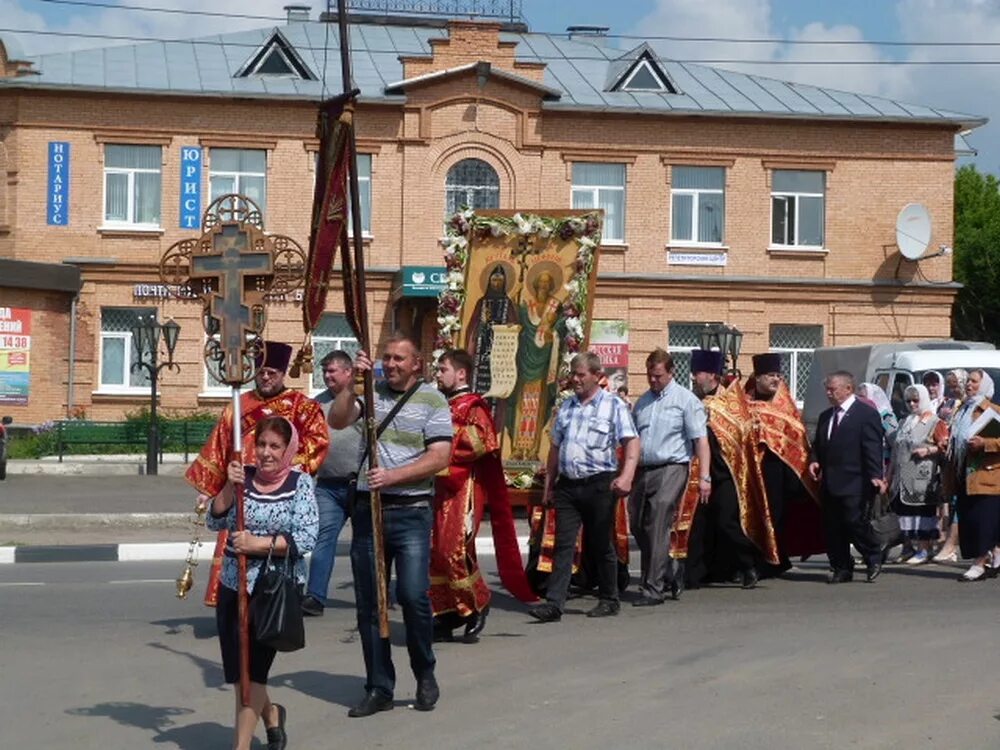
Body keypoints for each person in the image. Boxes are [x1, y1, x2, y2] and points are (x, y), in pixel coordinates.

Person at [327, 333, 453, 717]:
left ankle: (424, 671)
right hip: (369, 509)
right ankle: (379, 686)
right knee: (369, 604)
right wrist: (350, 384)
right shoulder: (371, 391)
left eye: (400, 358)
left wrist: (394, 477)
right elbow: (338, 418)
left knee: (413, 596)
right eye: (387, 358)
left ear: (417, 363)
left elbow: (440, 456)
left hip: (411, 512)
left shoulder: (433, 399)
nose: (392, 364)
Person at [206, 415, 319, 750]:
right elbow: (216, 519)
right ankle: (271, 713)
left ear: (288, 450)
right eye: (262, 445)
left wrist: (258, 544)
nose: (266, 453)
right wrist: (229, 484)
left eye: (275, 446)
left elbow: (307, 536)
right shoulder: (245, 478)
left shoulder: (300, 483)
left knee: (252, 672)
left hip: (274, 588)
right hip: (234, 584)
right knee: (241, 671)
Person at [187, 341, 329, 606]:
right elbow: (220, 445)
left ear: (283, 373)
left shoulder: (302, 406)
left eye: (272, 372)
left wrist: (284, 471)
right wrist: (208, 490)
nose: (265, 376)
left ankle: (268, 606)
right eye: (261, 371)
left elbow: (317, 444)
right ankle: (231, 604)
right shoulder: (239, 404)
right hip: (242, 488)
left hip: (281, 492)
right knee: (235, 544)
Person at [430, 349, 537, 643]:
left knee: (454, 550)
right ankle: (448, 612)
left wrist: (440, 438)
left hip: (463, 488)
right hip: (437, 489)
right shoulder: (440, 404)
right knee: (435, 553)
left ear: (461, 374)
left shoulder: (473, 406)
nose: (438, 374)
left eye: (443, 369)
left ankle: (477, 604)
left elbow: (480, 442)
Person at [528, 352, 638, 622]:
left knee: (601, 542)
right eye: (573, 374)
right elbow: (555, 447)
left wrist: (627, 477)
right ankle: (555, 603)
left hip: (600, 483)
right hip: (568, 486)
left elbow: (631, 442)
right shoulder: (567, 407)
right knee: (563, 544)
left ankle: (609, 598)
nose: (575, 380)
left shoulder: (613, 405)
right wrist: (549, 485)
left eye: (581, 375)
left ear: (596, 376)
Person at [628, 348, 709, 605]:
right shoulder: (643, 402)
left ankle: (653, 588)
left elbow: (700, 441)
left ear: (671, 372)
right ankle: (669, 567)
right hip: (644, 469)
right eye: (650, 375)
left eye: (658, 376)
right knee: (637, 524)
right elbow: (632, 439)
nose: (653, 381)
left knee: (658, 519)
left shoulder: (686, 400)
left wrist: (704, 477)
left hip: (673, 466)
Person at [676, 349, 762, 589]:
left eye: (698, 373)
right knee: (696, 524)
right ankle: (693, 575)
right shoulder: (691, 401)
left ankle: (748, 565)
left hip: (725, 475)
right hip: (696, 474)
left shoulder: (730, 403)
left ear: (712, 375)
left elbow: (740, 434)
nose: (694, 377)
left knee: (727, 522)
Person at [744, 353, 822, 574]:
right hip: (751, 469)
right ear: (757, 377)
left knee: (777, 515)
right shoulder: (744, 403)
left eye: (778, 375)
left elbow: (798, 437)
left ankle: (775, 559)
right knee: (752, 515)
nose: (776, 379)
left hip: (778, 471)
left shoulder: (785, 406)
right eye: (770, 375)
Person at [809, 371, 887, 583]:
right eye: (827, 389)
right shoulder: (827, 416)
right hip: (830, 481)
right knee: (833, 527)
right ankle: (842, 567)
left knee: (855, 522)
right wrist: (815, 460)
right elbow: (818, 445)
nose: (828, 393)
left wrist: (876, 475)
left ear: (848, 389)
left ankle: (873, 555)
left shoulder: (865, 414)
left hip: (856, 480)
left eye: (832, 389)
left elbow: (872, 447)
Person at [302, 350, 362, 616]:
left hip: (360, 485)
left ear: (348, 372)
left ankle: (371, 596)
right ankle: (315, 597)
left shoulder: (364, 400)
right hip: (328, 486)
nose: (326, 376)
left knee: (365, 545)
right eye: (324, 371)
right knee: (322, 539)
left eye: (332, 371)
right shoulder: (317, 404)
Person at [945, 369, 1000, 581]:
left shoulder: (991, 410)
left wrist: (984, 443)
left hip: (987, 477)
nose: (969, 385)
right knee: (971, 518)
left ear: (985, 385)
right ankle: (994, 555)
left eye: (975, 382)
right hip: (964, 474)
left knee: (983, 521)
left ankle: (979, 564)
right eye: (968, 381)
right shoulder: (962, 411)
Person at [888, 384, 947, 565]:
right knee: (904, 513)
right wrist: (889, 474)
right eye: (909, 401)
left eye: (916, 400)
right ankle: (907, 548)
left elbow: (945, 447)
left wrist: (929, 450)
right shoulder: (905, 421)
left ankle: (924, 549)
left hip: (923, 474)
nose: (912, 404)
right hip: (902, 474)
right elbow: (895, 450)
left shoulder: (936, 422)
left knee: (922, 512)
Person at [933, 369, 968, 562]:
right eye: (950, 385)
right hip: (948, 457)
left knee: (958, 503)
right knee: (950, 500)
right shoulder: (948, 403)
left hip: (963, 459)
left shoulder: (968, 405)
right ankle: (950, 541)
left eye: (956, 384)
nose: (953, 389)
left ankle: (952, 543)